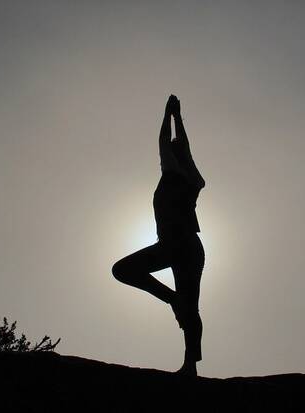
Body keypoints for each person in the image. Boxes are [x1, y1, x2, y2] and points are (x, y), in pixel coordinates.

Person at [112, 94, 206, 376]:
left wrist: (170, 115)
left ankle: (173, 300)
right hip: (191, 246)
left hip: (176, 244)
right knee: (191, 307)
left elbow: (168, 143)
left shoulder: (174, 176)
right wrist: (178, 117)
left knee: (122, 270)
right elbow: (183, 147)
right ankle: (191, 365)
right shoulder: (193, 182)